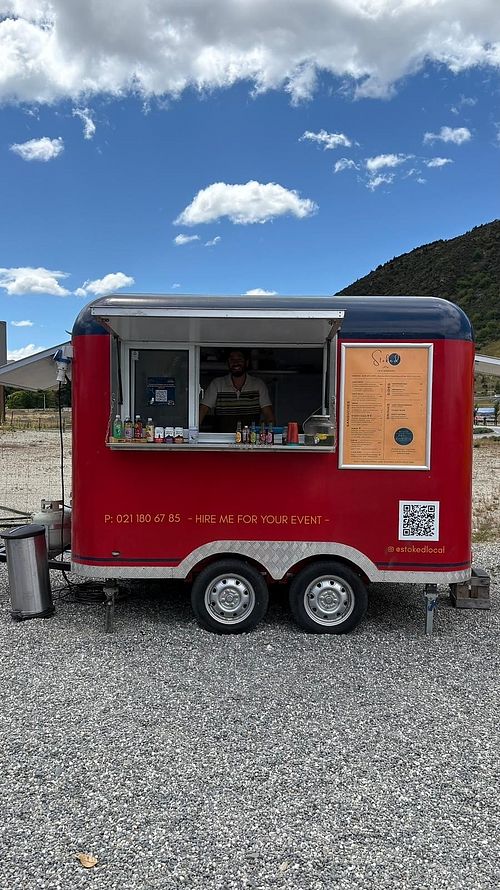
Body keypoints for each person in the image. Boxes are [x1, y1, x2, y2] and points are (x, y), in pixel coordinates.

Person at [199, 349, 275, 432]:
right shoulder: (217, 384)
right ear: (228, 363)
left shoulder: (258, 384)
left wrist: (271, 437)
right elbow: (202, 410)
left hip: (250, 441)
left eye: (239, 359)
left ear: (247, 362)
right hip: (222, 440)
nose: (235, 363)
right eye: (232, 360)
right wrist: (193, 435)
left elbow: (269, 416)